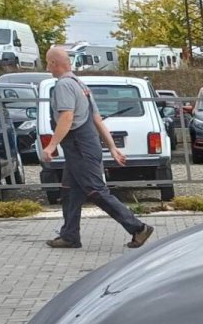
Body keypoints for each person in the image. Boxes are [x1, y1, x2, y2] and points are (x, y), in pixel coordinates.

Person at [41, 47, 154, 250]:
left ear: (53, 63)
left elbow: (66, 117)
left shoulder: (65, 85)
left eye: (48, 63)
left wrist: (51, 146)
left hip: (80, 148)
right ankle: (69, 236)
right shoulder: (80, 84)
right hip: (83, 147)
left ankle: (138, 227)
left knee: (96, 191)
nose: (47, 67)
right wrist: (111, 147)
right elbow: (96, 119)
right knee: (69, 191)